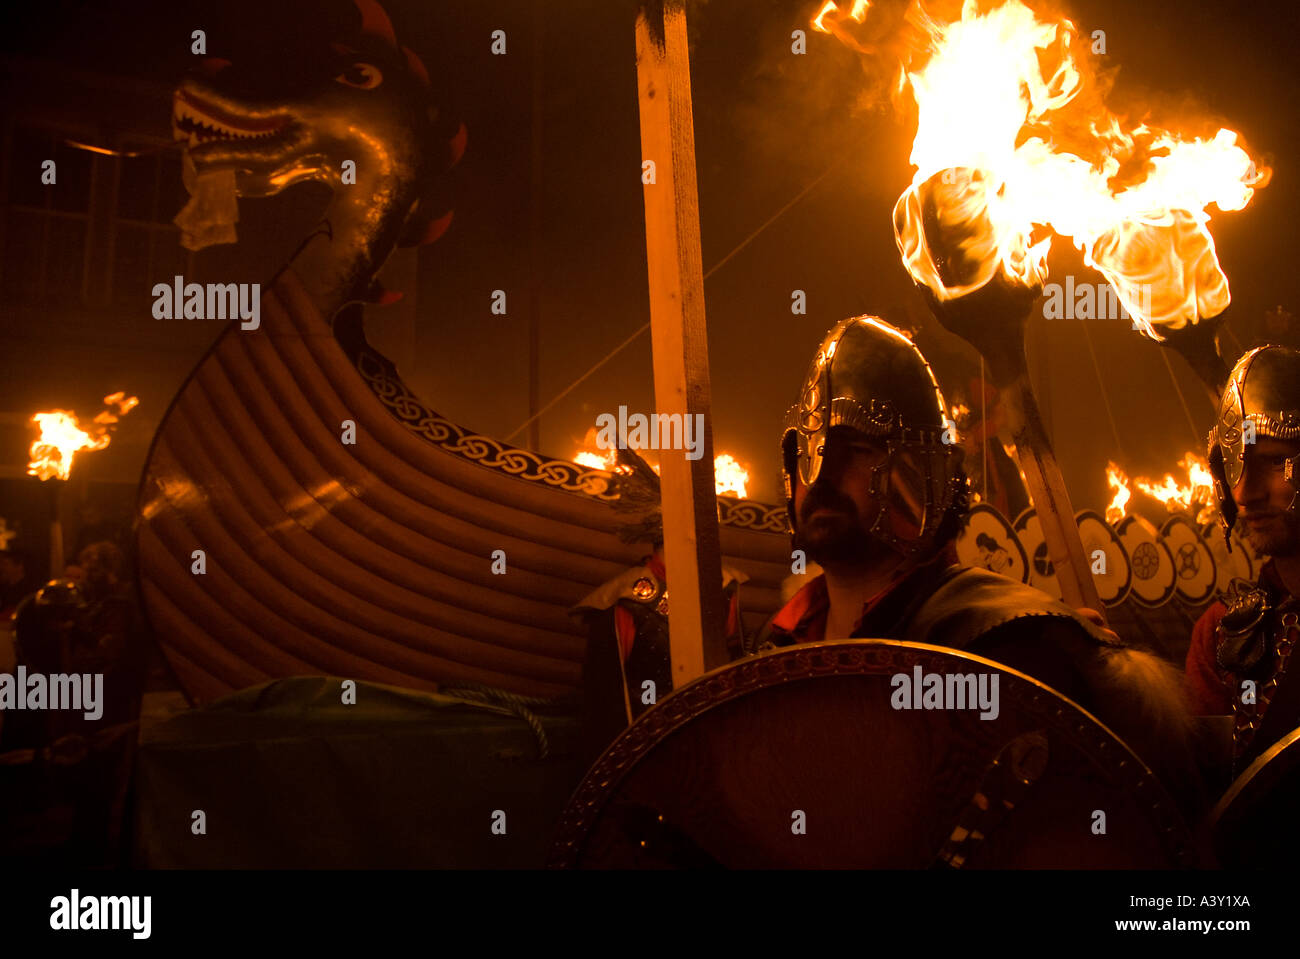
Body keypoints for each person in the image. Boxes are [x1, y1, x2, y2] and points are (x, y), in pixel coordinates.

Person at [756, 314, 1203, 813]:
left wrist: (1058, 661)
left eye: (856, 449)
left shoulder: (1007, 646)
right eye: (808, 451)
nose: (819, 476)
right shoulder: (774, 648)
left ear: (924, 473)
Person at [1186, 345, 1300, 776]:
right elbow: (1203, 790)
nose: (1244, 492)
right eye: (1233, 466)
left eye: (1272, 461)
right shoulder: (1221, 633)